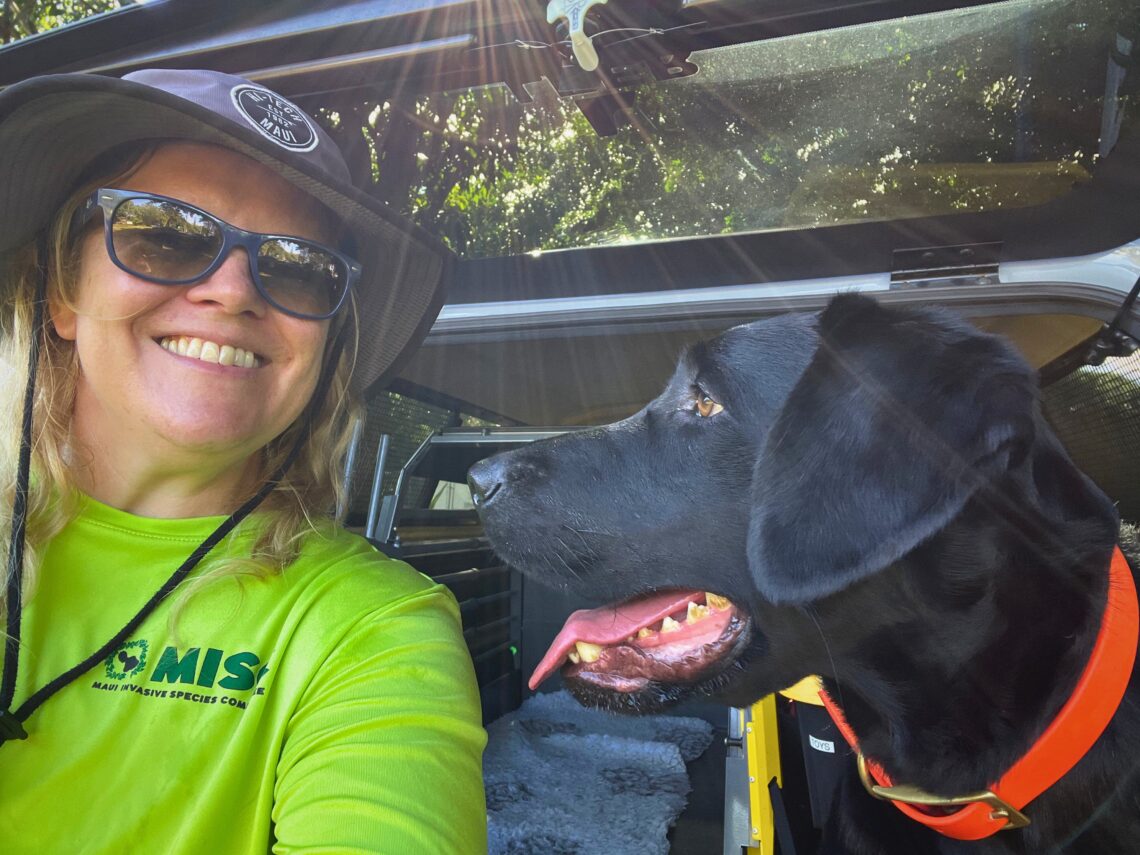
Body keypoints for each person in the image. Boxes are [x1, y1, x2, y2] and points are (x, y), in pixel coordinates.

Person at [0, 69, 486, 852]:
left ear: (322, 351)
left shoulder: (374, 627)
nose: (231, 291)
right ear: (63, 290)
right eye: (163, 232)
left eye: (297, 265)